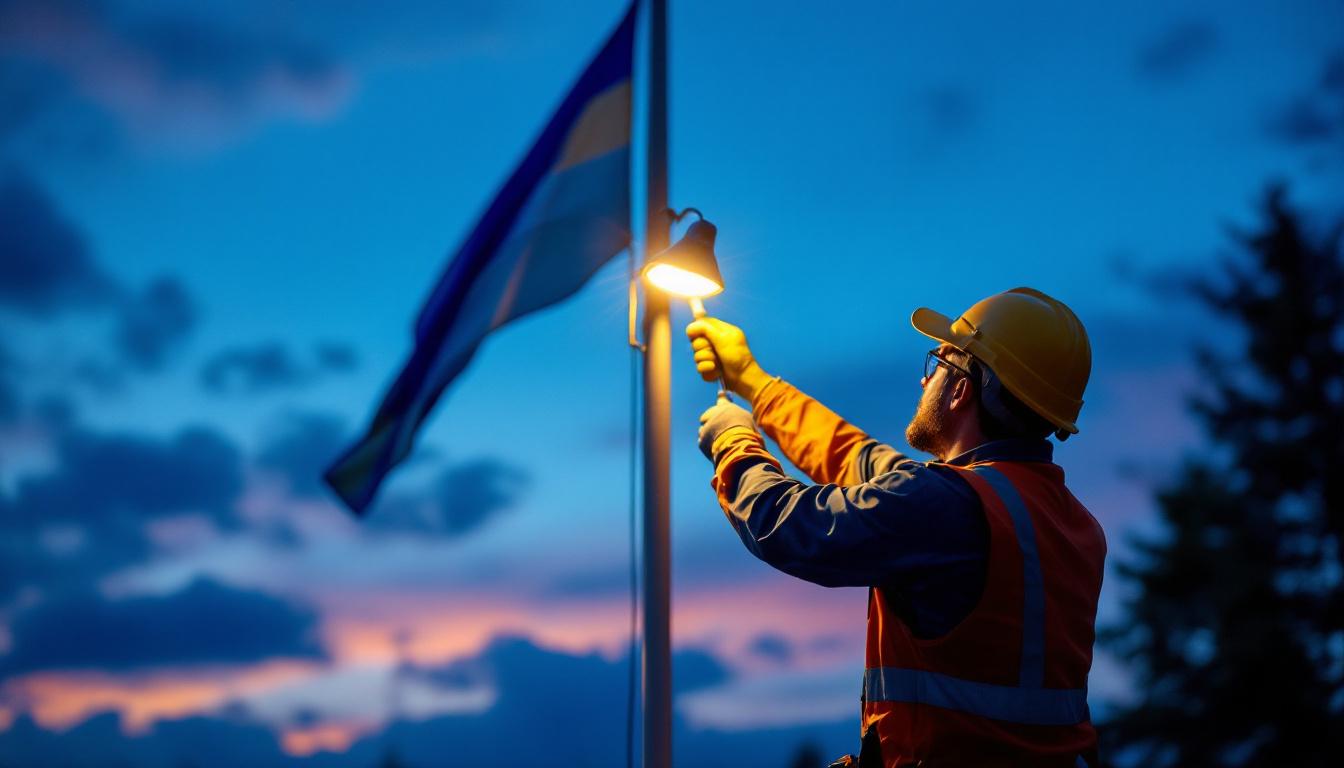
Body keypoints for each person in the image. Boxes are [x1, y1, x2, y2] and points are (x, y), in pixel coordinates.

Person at [686, 287, 1105, 768]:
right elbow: (861, 461)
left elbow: (791, 527)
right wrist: (755, 385)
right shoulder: (1070, 522)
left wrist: (733, 440)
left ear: (964, 387)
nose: (924, 381)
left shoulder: (948, 505)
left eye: (938, 363)